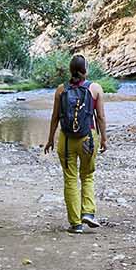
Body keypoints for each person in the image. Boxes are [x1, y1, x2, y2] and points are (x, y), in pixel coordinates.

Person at [44, 53, 108, 233]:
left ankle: (75, 223)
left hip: (66, 140)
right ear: (85, 70)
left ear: (70, 70)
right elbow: (101, 117)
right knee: (87, 175)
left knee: (70, 179)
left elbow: (55, 117)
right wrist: (104, 138)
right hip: (88, 137)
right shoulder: (95, 89)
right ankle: (88, 212)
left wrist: (50, 139)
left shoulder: (60, 90)